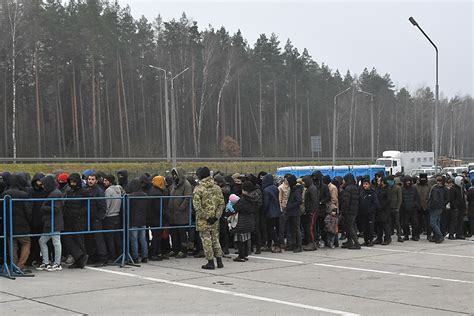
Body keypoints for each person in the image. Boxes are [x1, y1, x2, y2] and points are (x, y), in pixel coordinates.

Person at [193, 167, 225, 270]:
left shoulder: (199, 189)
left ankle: (210, 262)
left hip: (203, 220)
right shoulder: (217, 187)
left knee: (206, 240)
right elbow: (221, 204)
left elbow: (197, 207)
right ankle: (219, 261)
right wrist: (216, 216)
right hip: (215, 220)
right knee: (215, 239)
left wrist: (206, 217)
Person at [2, 174, 32, 272]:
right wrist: (30, 221)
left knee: (12, 244)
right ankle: (21, 265)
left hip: (9, 223)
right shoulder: (23, 194)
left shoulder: (5, 193)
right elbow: (28, 211)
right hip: (22, 224)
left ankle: (13, 264)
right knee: (26, 243)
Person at [62, 173, 89, 269]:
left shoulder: (84, 192)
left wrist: (79, 214)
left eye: (74, 182)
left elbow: (87, 206)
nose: (72, 183)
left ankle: (80, 258)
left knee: (79, 239)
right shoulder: (69, 192)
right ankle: (79, 256)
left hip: (79, 220)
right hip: (69, 219)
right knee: (67, 238)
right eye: (71, 182)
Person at [37, 175, 64, 271]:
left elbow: (56, 208)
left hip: (54, 222)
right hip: (51, 222)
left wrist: (43, 208)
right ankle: (46, 262)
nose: (43, 187)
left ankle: (57, 263)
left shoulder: (55, 193)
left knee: (56, 242)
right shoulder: (53, 192)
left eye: (44, 185)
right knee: (42, 241)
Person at [168, 168, 193, 258]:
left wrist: (181, 208)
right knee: (173, 233)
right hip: (173, 214)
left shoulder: (186, 185)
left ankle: (183, 250)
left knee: (182, 233)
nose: (174, 176)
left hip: (182, 214)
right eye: (173, 174)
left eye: (175, 174)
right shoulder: (174, 185)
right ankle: (175, 249)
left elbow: (187, 198)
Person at [232, 181, 259, 262]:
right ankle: (246, 254)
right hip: (250, 220)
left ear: (244, 190)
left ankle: (241, 256)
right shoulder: (255, 198)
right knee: (247, 238)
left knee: (240, 239)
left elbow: (235, 208)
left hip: (242, 221)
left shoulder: (243, 199)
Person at [86, 173, 108, 266]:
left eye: (92, 179)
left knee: (99, 239)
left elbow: (103, 206)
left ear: (96, 180)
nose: (90, 181)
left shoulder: (99, 191)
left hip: (96, 219)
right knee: (90, 239)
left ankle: (103, 258)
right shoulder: (87, 190)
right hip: (89, 218)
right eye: (89, 179)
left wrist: (99, 218)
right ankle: (93, 256)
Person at [127, 179, 149, 263]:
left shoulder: (130, 196)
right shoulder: (145, 195)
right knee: (143, 239)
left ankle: (135, 257)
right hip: (143, 220)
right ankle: (145, 256)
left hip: (133, 220)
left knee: (134, 239)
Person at [147, 175, 169, 261]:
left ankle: (155, 252)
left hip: (152, 218)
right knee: (157, 237)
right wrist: (167, 217)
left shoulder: (151, 191)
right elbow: (160, 208)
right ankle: (153, 254)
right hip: (157, 218)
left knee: (155, 236)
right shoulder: (158, 193)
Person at [103, 175, 124, 261]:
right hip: (117, 215)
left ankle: (112, 256)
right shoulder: (118, 189)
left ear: (109, 181)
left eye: (105, 180)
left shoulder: (108, 190)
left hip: (109, 216)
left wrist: (104, 215)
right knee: (117, 237)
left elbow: (107, 204)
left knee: (109, 238)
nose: (104, 182)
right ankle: (120, 254)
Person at [340, 173, 361, 249]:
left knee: (349, 227)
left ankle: (356, 243)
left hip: (349, 212)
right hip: (354, 210)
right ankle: (349, 242)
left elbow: (346, 201)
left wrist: (343, 211)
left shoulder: (348, 188)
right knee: (349, 227)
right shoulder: (355, 187)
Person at [261, 174, 281, 253]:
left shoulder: (266, 190)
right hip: (276, 211)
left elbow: (266, 203)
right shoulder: (275, 188)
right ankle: (269, 244)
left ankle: (276, 244)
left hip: (270, 212)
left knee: (270, 229)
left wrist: (263, 212)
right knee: (273, 229)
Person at [284, 175, 303, 252]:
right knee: (291, 229)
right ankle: (292, 244)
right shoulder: (292, 189)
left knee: (296, 229)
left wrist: (290, 206)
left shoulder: (296, 190)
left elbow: (299, 201)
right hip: (290, 212)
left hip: (295, 213)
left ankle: (299, 246)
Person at [359, 178, 379, 247]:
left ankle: (371, 240)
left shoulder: (372, 193)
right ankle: (366, 240)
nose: (364, 185)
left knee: (370, 228)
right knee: (364, 228)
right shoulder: (361, 192)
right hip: (363, 214)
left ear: (369, 185)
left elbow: (376, 204)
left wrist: (370, 210)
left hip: (370, 214)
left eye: (366, 184)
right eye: (364, 184)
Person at [428, 176, 448, 243]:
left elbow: (434, 200)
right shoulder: (441, 189)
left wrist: (431, 205)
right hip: (439, 207)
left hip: (435, 208)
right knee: (437, 222)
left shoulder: (435, 189)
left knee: (433, 222)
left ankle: (439, 236)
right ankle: (437, 236)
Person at [302, 176, 319, 251]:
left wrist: (312, 211)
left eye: (304, 182)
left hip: (312, 211)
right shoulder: (310, 188)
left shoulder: (312, 189)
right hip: (310, 210)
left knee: (311, 228)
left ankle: (312, 243)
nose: (303, 183)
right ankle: (312, 242)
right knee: (311, 227)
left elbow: (314, 201)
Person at [401, 177, 420, 241]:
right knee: (405, 223)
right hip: (405, 210)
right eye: (407, 181)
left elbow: (417, 198)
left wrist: (415, 205)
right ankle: (406, 235)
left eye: (409, 181)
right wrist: (403, 206)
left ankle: (414, 236)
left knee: (415, 223)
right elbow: (401, 199)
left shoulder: (414, 189)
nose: (408, 182)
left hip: (413, 209)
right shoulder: (402, 189)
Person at [388, 176, 404, 242]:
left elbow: (400, 199)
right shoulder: (388, 187)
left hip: (395, 208)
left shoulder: (398, 188)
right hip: (389, 207)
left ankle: (399, 236)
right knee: (389, 223)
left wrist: (398, 207)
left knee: (397, 223)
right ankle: (388, 236)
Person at [416, 173, 431, 240]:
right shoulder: (416, 186)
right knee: (418, 222)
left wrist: (429, 204)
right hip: (418, 207)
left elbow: (431, 196)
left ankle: (429, 235)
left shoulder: (429, 186)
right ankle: (417, 235)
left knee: (428, 222)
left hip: (427, 206)